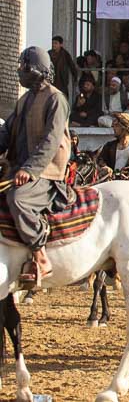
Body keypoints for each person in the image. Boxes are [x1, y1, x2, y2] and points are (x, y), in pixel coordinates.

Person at [0, 48, 74, 285]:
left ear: (38, 71)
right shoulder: (25, 99)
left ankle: (41, 257)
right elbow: (7, 133)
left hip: (46, 172)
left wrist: (30, 169)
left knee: (18, 199)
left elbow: (51, 141)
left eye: (24, 67)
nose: (20, 71)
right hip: (20, 167)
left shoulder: (56, 98)